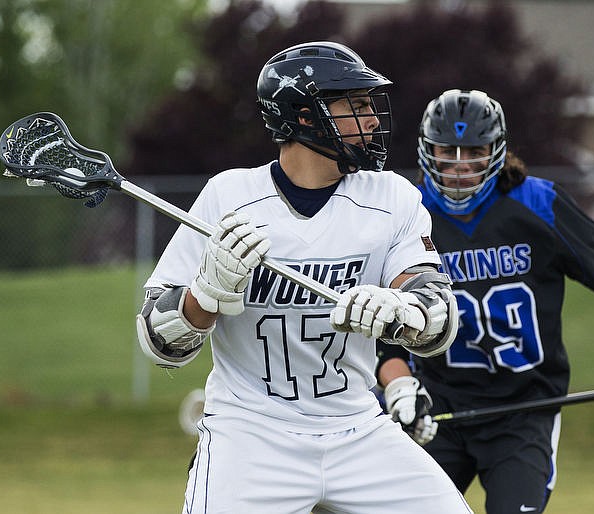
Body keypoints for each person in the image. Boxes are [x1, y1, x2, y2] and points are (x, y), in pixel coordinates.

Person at [135, 42, 473, 514]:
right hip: (250, 432)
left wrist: (405, 311)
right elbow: (158, 340)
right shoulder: (228, 196)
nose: (373, 119)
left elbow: (438, 314)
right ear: (305, 116)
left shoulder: (392, 198)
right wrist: (205, 293)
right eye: (356, 105)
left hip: (357, 427)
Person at [376, 89, 594, 513]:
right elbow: (387, 328)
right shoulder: (410, 212)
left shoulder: (538, 202)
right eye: (447, 150)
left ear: (497, 151)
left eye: (475, 150)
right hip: (442, 405)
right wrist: (400, 385)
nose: (460, 165)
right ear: (427, 150)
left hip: (524, 407)